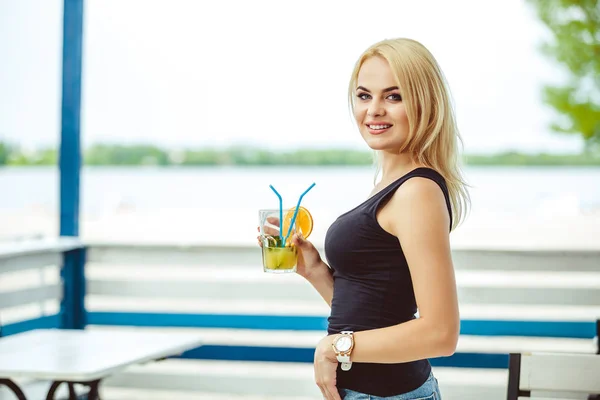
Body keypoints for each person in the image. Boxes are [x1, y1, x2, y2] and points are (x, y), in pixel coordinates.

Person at [258, 37, 470, 399]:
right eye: (363, 95)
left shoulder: (417, 191)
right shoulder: (390, 184)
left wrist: (333, 348)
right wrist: (315, 271)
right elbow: (375, 315)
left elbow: (441, 333)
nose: (373, 110)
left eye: (393, 96)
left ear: (425, 104)